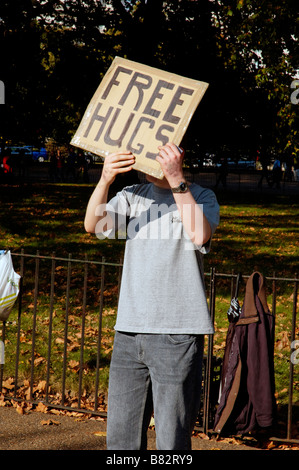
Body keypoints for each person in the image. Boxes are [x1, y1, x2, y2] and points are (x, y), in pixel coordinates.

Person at [84, 142, 219, 450]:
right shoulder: (133, 195)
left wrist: (176, 179)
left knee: (171, 441)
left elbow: (200, 234)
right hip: (129, 334)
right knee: (121, 441)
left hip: (177, 336)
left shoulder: (199, 196)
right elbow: (92, 225)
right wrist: (105, 179)